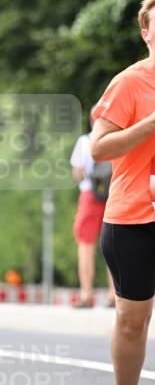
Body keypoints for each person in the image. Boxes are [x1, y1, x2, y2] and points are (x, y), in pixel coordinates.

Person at [90, 0, 155, 385]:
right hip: (135, 215)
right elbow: (99, 149)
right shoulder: (131, 83)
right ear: (146, 33)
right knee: (133, 321)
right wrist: (150, 124)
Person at [70, 110, 115, 308]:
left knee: (85, 246)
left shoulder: (84, 142)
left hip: (90, 195)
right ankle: (114, 295)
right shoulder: (118, 141)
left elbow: (78, 173)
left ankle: (86, 294)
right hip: (113, 195)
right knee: (115, 246)